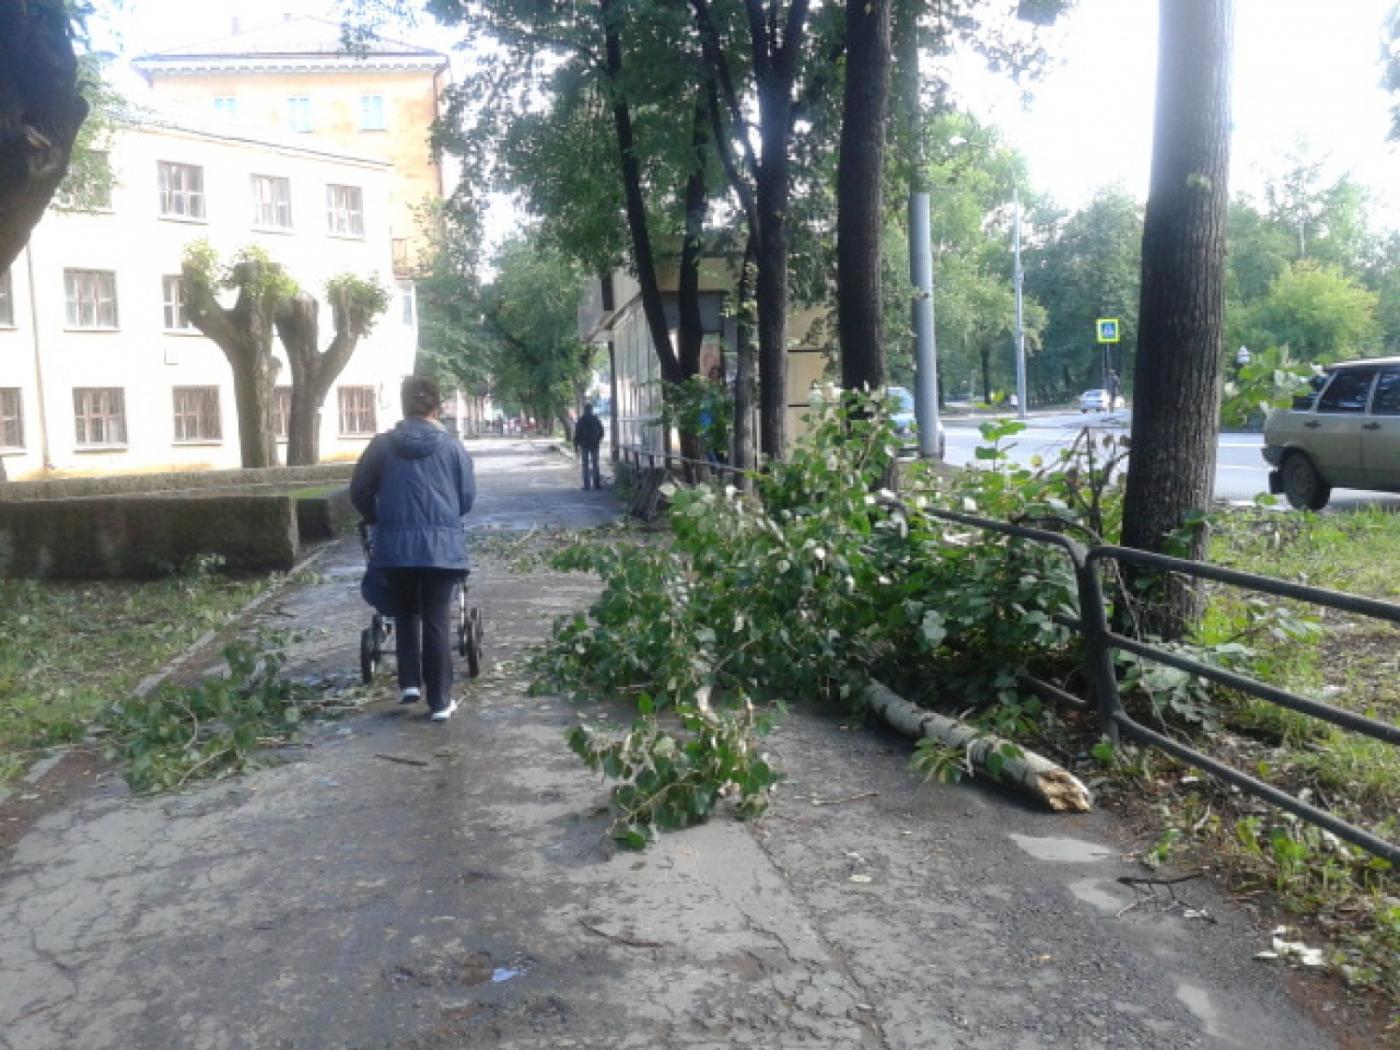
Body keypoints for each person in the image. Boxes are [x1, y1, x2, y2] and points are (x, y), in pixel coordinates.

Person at [351, 376, 476, 723]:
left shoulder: (381, 446)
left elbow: (359, 492)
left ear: (404, 406)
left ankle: (409, 683)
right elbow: (466, 498)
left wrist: (380, 518)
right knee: (436, 618)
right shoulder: (453, 448)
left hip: (395, 547)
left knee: (405, 610)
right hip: (442, 549)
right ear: (437, 407)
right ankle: (440, 702)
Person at [573, 402, 604, 490]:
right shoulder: (596, 419)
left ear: (584, 410)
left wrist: (576, 446)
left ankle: (586, 485)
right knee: (595, 464)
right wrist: (598, 440)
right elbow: (602, 431)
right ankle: (596, 484)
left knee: (585, 465)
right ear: (591, 410)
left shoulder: (581, 420)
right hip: (594, 445)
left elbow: (577, 434)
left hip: (584, 445)